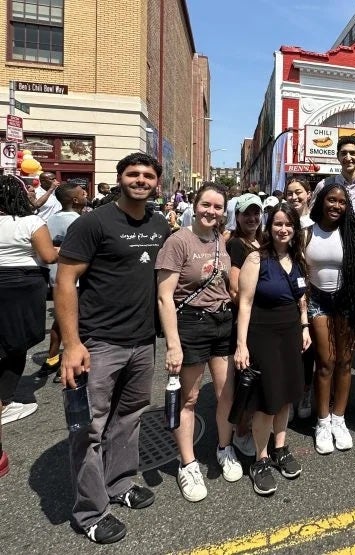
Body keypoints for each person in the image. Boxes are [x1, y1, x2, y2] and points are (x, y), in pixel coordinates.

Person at [56, 153, 169, 544]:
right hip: (98, 343)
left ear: (157, 182)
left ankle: (119, 484)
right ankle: (90, 511)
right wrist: (71, 344)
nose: (140, 180)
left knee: (129, 418)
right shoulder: (93, 222)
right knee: (88, 428)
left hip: (142, 342)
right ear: (119, 178)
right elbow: (65, 280)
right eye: (133, 174)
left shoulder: (160, 224)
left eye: (148, 175)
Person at [156, 182, 241, 502]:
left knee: (225, 394)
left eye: (218, 207)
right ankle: (187, 464)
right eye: (206, 205)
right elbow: (164, 297)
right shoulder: (178, 241)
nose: (211, 212)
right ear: (194, 204)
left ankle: (224, 447)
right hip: (190, 324)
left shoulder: (221, 239)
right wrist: (173, 344)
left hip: (222, 324)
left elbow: (226, 287)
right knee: (188, 400)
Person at [234, 203, 311, 495]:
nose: (283, 229)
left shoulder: (297, 257)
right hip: (262, 334)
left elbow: (301, 296)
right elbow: (245, 303)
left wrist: (304, 326)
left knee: (287, 395)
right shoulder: (256, 258)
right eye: (278, 224)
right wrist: (241, 345)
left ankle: (280, 448)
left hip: (290, 333)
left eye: (288, 224)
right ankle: (260, 458)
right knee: (267, 398)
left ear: (295, 227)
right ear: (270, 226)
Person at [310, 136, 355, 419]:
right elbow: (312, 217)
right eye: (343, 153)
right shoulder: (326, 185)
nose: (348, 157)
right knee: (326, 348)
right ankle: (317, 399)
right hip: (331, 260)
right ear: (338, 156)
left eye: (353, 153)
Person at [0, 174, 57, 477]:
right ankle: (5, 400)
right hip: (22, 286)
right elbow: (48, 255)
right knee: (18, 343)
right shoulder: (30, 223)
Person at [306, 181, 355, 454]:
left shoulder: (352, 233)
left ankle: (338, 419)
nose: (336, 206)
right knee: (326, 362)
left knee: (344, 362)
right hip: (318, 300)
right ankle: (322, 420)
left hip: (345, 301)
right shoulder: (306, 233)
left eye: (342, 202)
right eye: (332, 200)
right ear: (321, 201)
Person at [37, 182, 88, 383]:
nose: (86, 196)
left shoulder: (49, 220)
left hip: (54, 277)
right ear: (74, 200)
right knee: (74, 324)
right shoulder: (80, 222)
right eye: (82, 194)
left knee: (60, 321)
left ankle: (51, 358)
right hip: (75, 280)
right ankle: (68, 363)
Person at [226, 193, 264, 456]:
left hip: (260, 319)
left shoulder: (260, 242)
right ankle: (240, 431)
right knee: (245, 377)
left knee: (254, 376)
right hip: (247, 319)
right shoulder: (237, 245)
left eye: (256, 213)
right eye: (246, 214)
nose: (252, 218)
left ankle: (250, 425)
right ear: (237, 217)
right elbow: (235, 290)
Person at [284, 177, 315, 419]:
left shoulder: (316, 224)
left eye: (299, 193)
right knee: (288, 347)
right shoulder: (282, 221)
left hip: (312, 293)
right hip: (286, 293)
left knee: (308, 348)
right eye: (290, 193)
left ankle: (305, 391)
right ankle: (289, 394)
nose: (294, 197)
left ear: (309, 194)